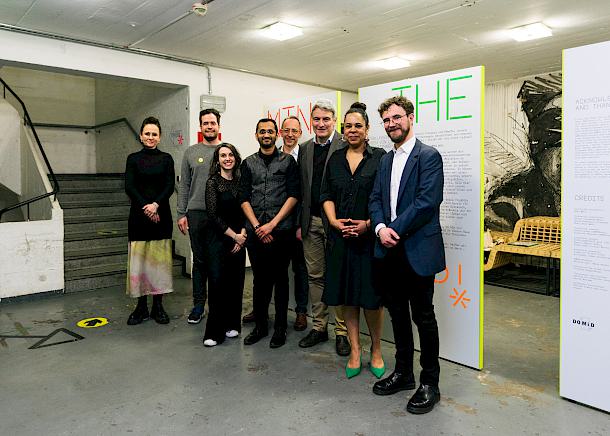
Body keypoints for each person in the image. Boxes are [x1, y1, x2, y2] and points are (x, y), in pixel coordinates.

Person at [369, 95, 446, 414]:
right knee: (397, 315)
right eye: (386, 120)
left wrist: (392, 230)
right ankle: (403, 374)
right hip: (389, 252)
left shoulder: (429, 156)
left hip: (416, 250)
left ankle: (430, 383)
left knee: (423, 317)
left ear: (410, 118)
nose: (391, 124)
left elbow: (427, 202)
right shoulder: (386, 160)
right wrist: (379, 228)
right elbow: (375, 199)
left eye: (396, 118)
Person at [320, 102, 386, 379]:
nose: (352, 130)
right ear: (342, 129)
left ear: (367, 129)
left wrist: (368, 225)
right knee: (347, 297)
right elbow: (325, 195)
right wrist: (334, 222)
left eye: (358, 125)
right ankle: (356, 350)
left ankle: (377, 350)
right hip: (341, 240)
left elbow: (387, 199)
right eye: (348, 126)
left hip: (369, 240)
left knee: (371, 300)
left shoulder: (380, 157)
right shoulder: (335, 159)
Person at [241, 116, 309, 331]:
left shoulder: (288, 162)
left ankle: (280, 328)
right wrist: (257, 226)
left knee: (281, 280)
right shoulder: (248, 163)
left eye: (270, 131)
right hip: (256, 232)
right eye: (262, 131)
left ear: (275, 134)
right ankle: (261, 326)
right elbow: (243, 197)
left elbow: (293, 195)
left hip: (281, 231)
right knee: (259, 280)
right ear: (256, 135)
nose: (266, 135)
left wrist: (272, 225)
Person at [297, 100, 350, 356]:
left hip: (337, 223)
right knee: (315, 276)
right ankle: (319, 327)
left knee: (337, 276)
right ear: (311, 120)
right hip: (311, 222)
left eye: (326, 119)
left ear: (334, 120)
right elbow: (301, 188)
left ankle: (342, 332)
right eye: (316, 119)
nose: (321, 124)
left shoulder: (345, 143)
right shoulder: (305, 148)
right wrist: (300, 222)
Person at [125, 116, 175, 325]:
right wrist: (146, 206)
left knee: (159, 265)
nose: (151, 137)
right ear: (141, 136)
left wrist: (155, 205)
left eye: (154, 134)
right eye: (147, 133)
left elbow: (169, 186)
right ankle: (141, 307)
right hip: (138, 218)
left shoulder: (167, 158)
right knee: (140, 264)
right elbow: (130, 186)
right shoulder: (133, 159)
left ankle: (158, 307)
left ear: (159, 137)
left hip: (161, 218)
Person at [177, 109, 222, 325]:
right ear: (200, 126)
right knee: (200, 262)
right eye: (206, 123)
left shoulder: (227, 152)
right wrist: (181, 213)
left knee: (216, 262)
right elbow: (184, 184)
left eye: (213, 123)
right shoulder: (190, 152)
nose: (209, 126)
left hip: (220, 216)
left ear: (219, 126)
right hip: (195, 214)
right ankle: (198, 305)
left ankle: (216, 306)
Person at [202, 143, 247, 347]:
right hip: (219, 240)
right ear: (217, 160)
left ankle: (232, 325)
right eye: (223, 155)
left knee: (235, 283)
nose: (227, 158)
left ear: (235, 158)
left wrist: (243, 234)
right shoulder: (213, 183)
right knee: (218, 284)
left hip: (240, 238)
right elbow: (213, 215)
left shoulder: (240, 181)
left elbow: (247, 209)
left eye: (230, 155)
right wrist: (234, 236)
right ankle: (214, 332)